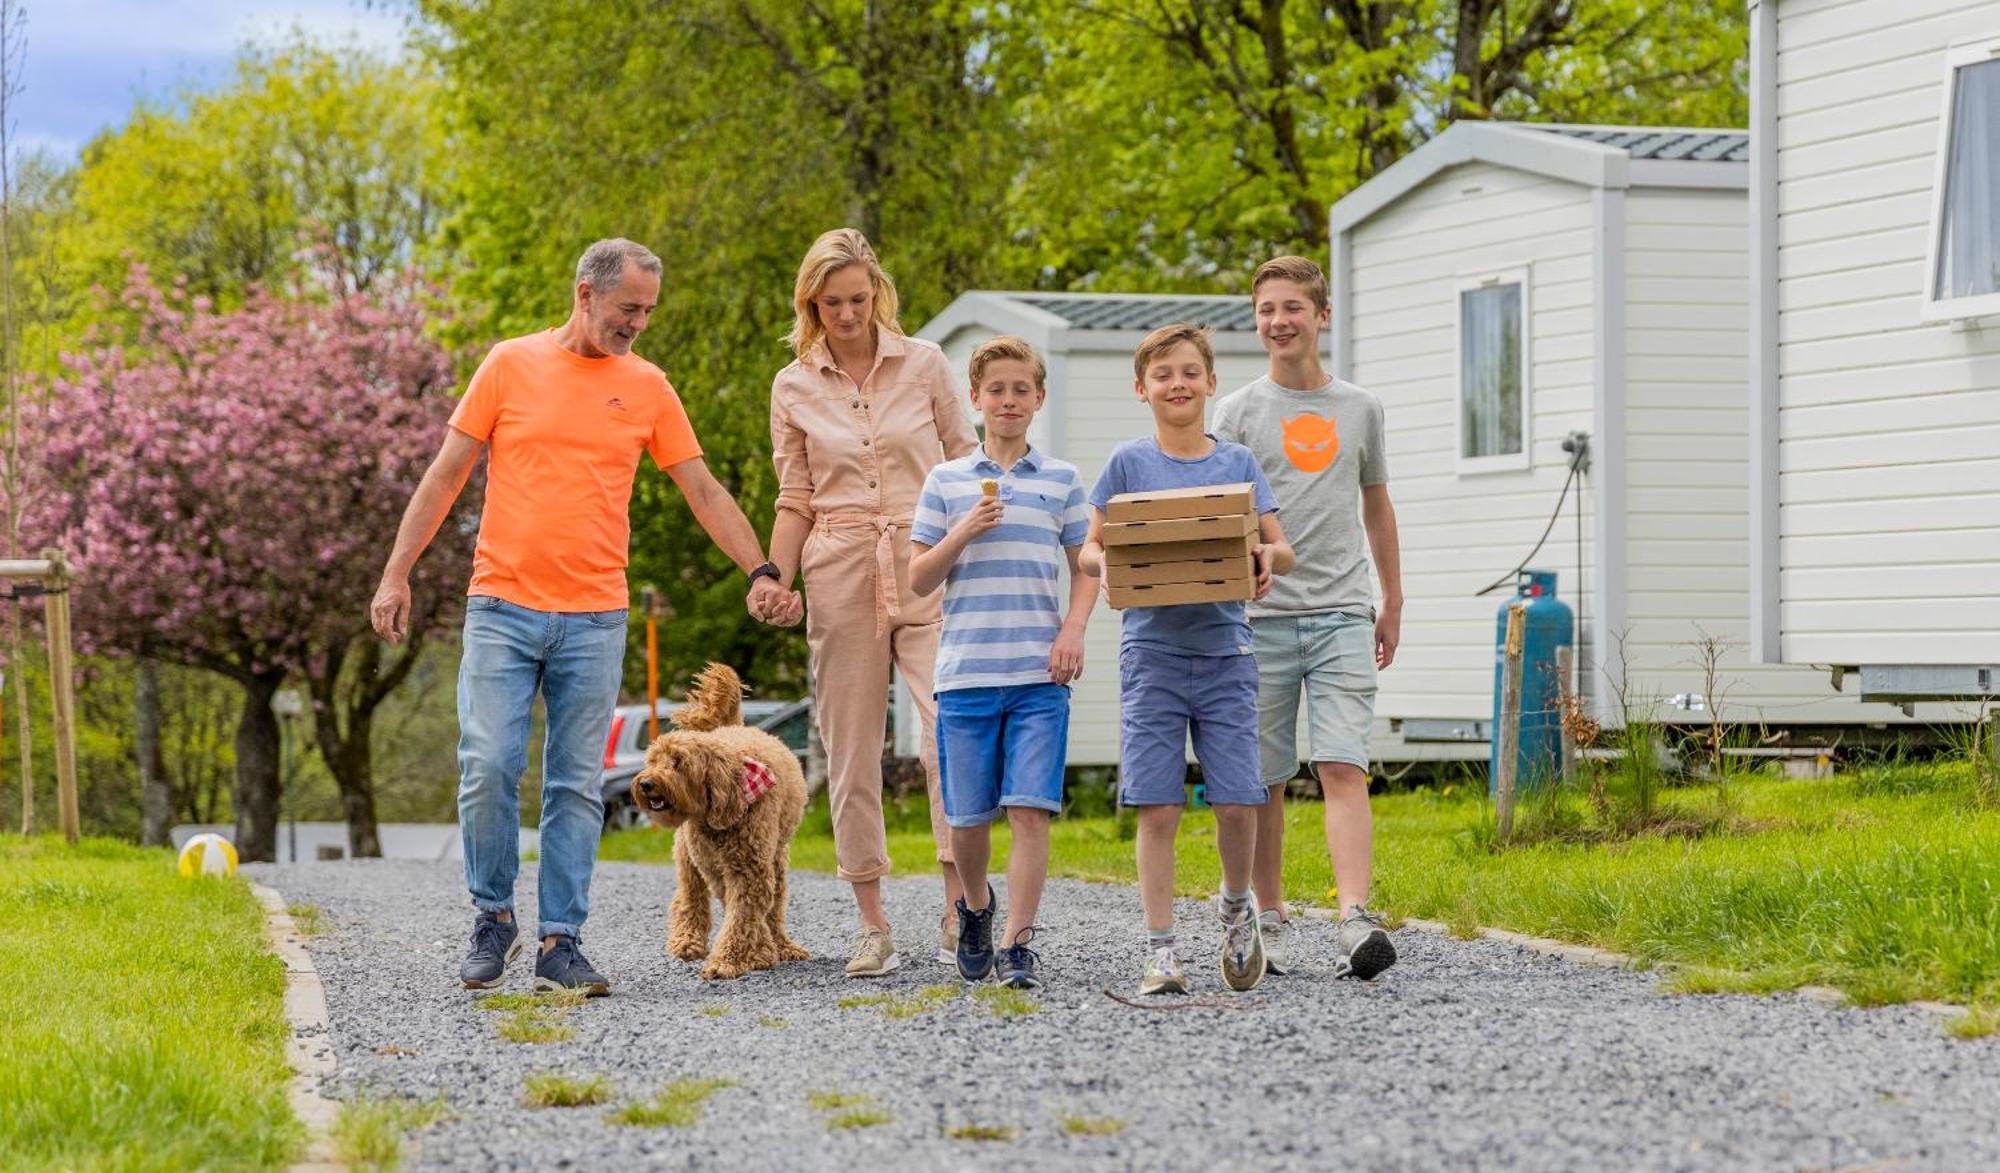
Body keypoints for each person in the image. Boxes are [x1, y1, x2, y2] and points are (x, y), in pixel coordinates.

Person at [370, 238, 796, 996]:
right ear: (585, 293)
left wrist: (759, 567)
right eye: (628, 307)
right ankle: (493, 915)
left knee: (573, 783)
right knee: (489, 764)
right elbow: (445, 475)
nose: (638, 322)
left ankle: (561, 941)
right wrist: (397, 571)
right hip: (501, 605)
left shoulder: (648, 386)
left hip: (595, 617)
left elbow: (700, 487)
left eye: (648, 311)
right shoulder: (508, 364)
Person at [763, 228, 980, 977]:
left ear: (876, 293)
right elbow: (795, 497)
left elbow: (966, 462)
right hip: (838, 563)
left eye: (858, 299)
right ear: (811, 302)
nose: (847, 314)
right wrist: (774, 575)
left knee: (945, 732)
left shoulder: (924, 364)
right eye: (832, 303)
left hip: (927, 558)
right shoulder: (792, 385)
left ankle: (962, 908)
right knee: (851, 747)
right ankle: (872, 921)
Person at [1077, 323, 1294, 996]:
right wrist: (1104, 565)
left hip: (1227, 652)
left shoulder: (1237, 465)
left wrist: (1265, 559)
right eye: (1164, 374)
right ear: (1142, 389)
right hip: (1152, 655)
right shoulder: (1126, 464)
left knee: (1237, 802)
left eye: (1189, 372)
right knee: (1159, 806)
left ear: (1210, 382)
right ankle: (1161, 949)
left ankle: (1235, 909)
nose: (1178, 383)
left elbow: (1280, 547)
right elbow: (1089, 546)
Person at [1213, 255, 1403, 980]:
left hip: (1342, 612)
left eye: (1292, 307)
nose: (1278, 321)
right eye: (1266, 309)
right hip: (1260, 622)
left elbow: (1377, 506)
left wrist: (1392, 598)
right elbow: (1227, 514)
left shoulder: (1360, 407)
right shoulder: (1238, 413)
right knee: (1262, 775)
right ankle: (1270, 913)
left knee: (1341, 761)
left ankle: (1355, 915)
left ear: (1322, 316)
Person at [909, 336, 1095, 990]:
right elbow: (918, 579)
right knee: (965, 818)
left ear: (1039, 398)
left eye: (1022, 390)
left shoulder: (1063, 481)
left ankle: (1018, 943)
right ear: (976, 398)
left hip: (1040, 675)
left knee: (1029, 810)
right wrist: (964, 529)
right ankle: (977, 909)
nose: (1009, 401)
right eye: (997, 390)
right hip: (965, 676)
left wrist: (1074, 629)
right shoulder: (947, 481)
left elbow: (1085, 568)